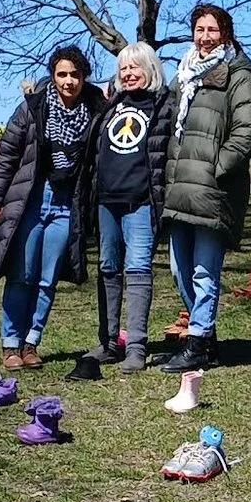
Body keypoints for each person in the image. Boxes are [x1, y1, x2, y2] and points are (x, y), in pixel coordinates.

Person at [0, 45, 106, 370]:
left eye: (75, 75)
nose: (68, 81)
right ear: (53, 76)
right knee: (21, 275)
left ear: (84, 77)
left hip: (68, 205)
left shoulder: (96, 111)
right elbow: (8, 152)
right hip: (32, 200)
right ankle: (10, 345)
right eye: (62, 74)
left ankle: (31, 344)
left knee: (47, 279)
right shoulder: (33, 107)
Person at [159, 4, 251, 371]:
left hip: (212, 190)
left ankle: (199, 341)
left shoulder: (239, 75)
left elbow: (247, 129)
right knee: (179, 269)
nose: (205, 37)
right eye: (200, 30)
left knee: (204, 271)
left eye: (212, 30)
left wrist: (218, 168)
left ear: (226, 34)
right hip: (179, 189)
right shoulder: (183, 75)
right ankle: (205, 335)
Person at [90, 42, 175, 372]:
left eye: (134, 67)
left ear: (150, 69)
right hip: (106, 201)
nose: (128, 73)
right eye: (123, 68)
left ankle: (136, 347)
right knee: (108, 268)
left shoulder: (164, 104)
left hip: (141, 202)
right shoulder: (111, 105)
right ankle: (109, 343)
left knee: (138, 269)